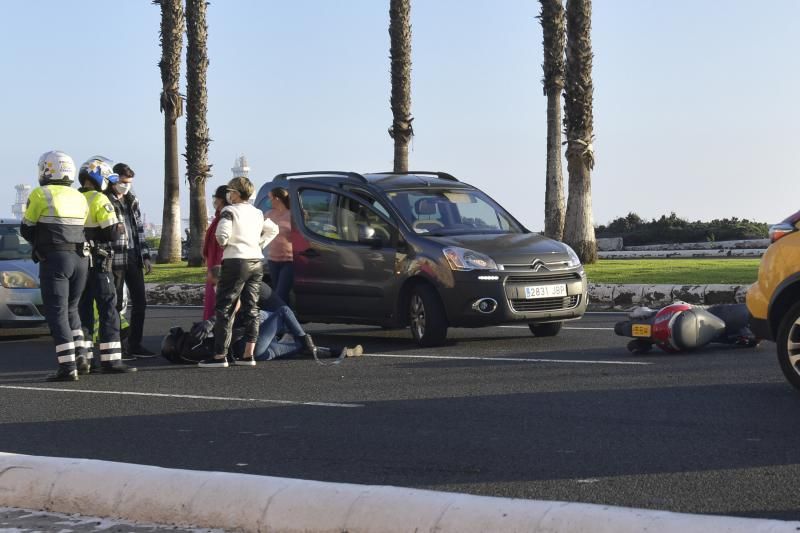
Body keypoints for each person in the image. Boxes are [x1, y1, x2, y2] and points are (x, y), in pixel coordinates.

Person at [20, 151, 90, 382]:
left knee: (57, 312)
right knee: (72, 308)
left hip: (56, 258)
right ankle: (82, 356)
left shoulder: (41, 193)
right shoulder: (79, 196)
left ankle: (67, 367)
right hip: (81, 259)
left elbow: (27, 227)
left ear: (45, 170)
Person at [198, 177, 279, 368]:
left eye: (230, 191)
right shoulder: (257, 213)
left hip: (235, 261)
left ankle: (219, 355)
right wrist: (258, 244)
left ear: (235, 193)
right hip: (256, 261)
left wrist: (226, 244)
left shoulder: (229, 211)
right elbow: (273, 229)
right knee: (251, 308)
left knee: (225, 307)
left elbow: (221, 234)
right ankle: (248, 355)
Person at [206, 266, 363, 362]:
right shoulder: (232, 291)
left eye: (214, 284)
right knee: (299, 342)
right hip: (256, 343)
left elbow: (234, 307)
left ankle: (342, 352)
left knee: (286, 324)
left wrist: (212, 321)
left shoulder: (239, 289)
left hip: (267, 339)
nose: (213, 288)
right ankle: (306, 341)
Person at [76, 157, 136, 375]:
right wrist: (118, 226)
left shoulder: (74, 198)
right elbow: (112, 231)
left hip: (79, 262)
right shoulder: (101, 200)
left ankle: (86, 359)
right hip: (101, 261)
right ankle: (111, 360)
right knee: (108, 309)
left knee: (83, 310)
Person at [106, 162, 154, 358]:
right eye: (123, 182)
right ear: (114, 180)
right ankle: (117, 345)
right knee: (115, 304)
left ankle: (135, 344)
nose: (126, 186)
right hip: (115, 258)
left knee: (140, 302)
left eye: (129, 183)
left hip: (133, 256)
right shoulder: (106, 201)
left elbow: (139, 231)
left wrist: (145, 256)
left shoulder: (132, 201)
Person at [201, 185, 228, 320]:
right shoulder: (219, 216)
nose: (214, 201)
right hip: (213, 261)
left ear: (221, 200)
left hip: (220, 262)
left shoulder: (226, 217)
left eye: (215, 198)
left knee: (217, 297)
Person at [264, 187, 294, 305]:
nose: (269, 201)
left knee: (280, 294)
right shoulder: (268, 214)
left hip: (289, 260)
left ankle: (287, 321)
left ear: (276, 199)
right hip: (272, 260)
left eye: (270, 198)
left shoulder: (292, 215)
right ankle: (285, 320)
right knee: (280, 296)